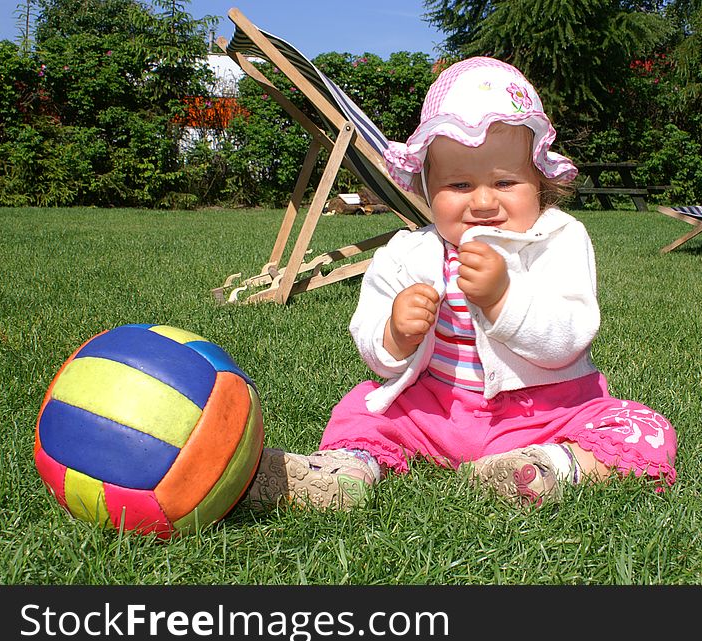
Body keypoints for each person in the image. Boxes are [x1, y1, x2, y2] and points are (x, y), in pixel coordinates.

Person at [244, 57, 677, 511]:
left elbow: (569, 337)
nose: (484, 201)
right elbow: (375, 350)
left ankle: (547, 465)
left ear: (540, 183)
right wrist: (396, 334)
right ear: (429, 189)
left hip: (549, 411)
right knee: (364, 407)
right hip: (438, 408)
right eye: (460, 183)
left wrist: (502, 299)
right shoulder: (407, 253)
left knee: (645, 429)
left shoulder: (557, 238)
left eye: (506, 181)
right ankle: (344, 472)